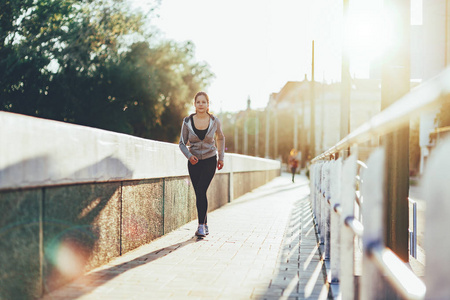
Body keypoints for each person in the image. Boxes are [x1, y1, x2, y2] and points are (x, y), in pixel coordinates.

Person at [179, 91, 225, 237]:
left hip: (210, 159)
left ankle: (200, 226)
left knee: (200, 190)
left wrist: (221, 158)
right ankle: (204, 224)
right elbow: (181, 143)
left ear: (208, 105)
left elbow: (221, 138)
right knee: (200, 193)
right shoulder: (187, 122)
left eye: (203, 102)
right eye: (198, 102)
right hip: (194, 162)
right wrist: (189, 155)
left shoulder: (214, 121)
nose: (201, 105)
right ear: (194, 104)